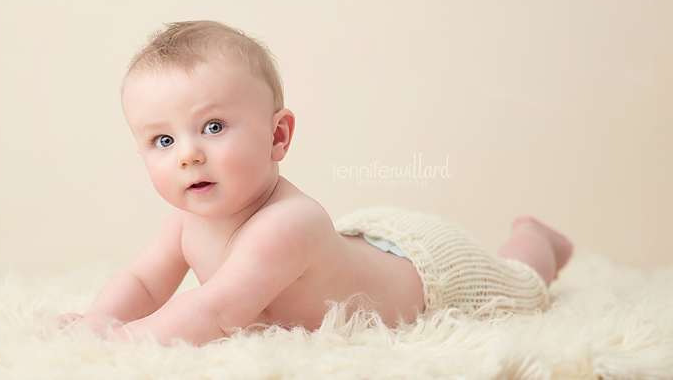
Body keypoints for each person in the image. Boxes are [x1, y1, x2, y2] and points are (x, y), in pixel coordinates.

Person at [54, 20, 573, 345]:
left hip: (433, 271)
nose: (188, 154)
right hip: (358, 243)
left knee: (520, 285)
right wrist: (97, 319)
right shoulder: (185, 221)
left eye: (213, 127)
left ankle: (536, 239)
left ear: (277, 135)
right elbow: (143, 282)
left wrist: (126, 340)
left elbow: (216, 309)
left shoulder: (287, 224)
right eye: (162, 141)